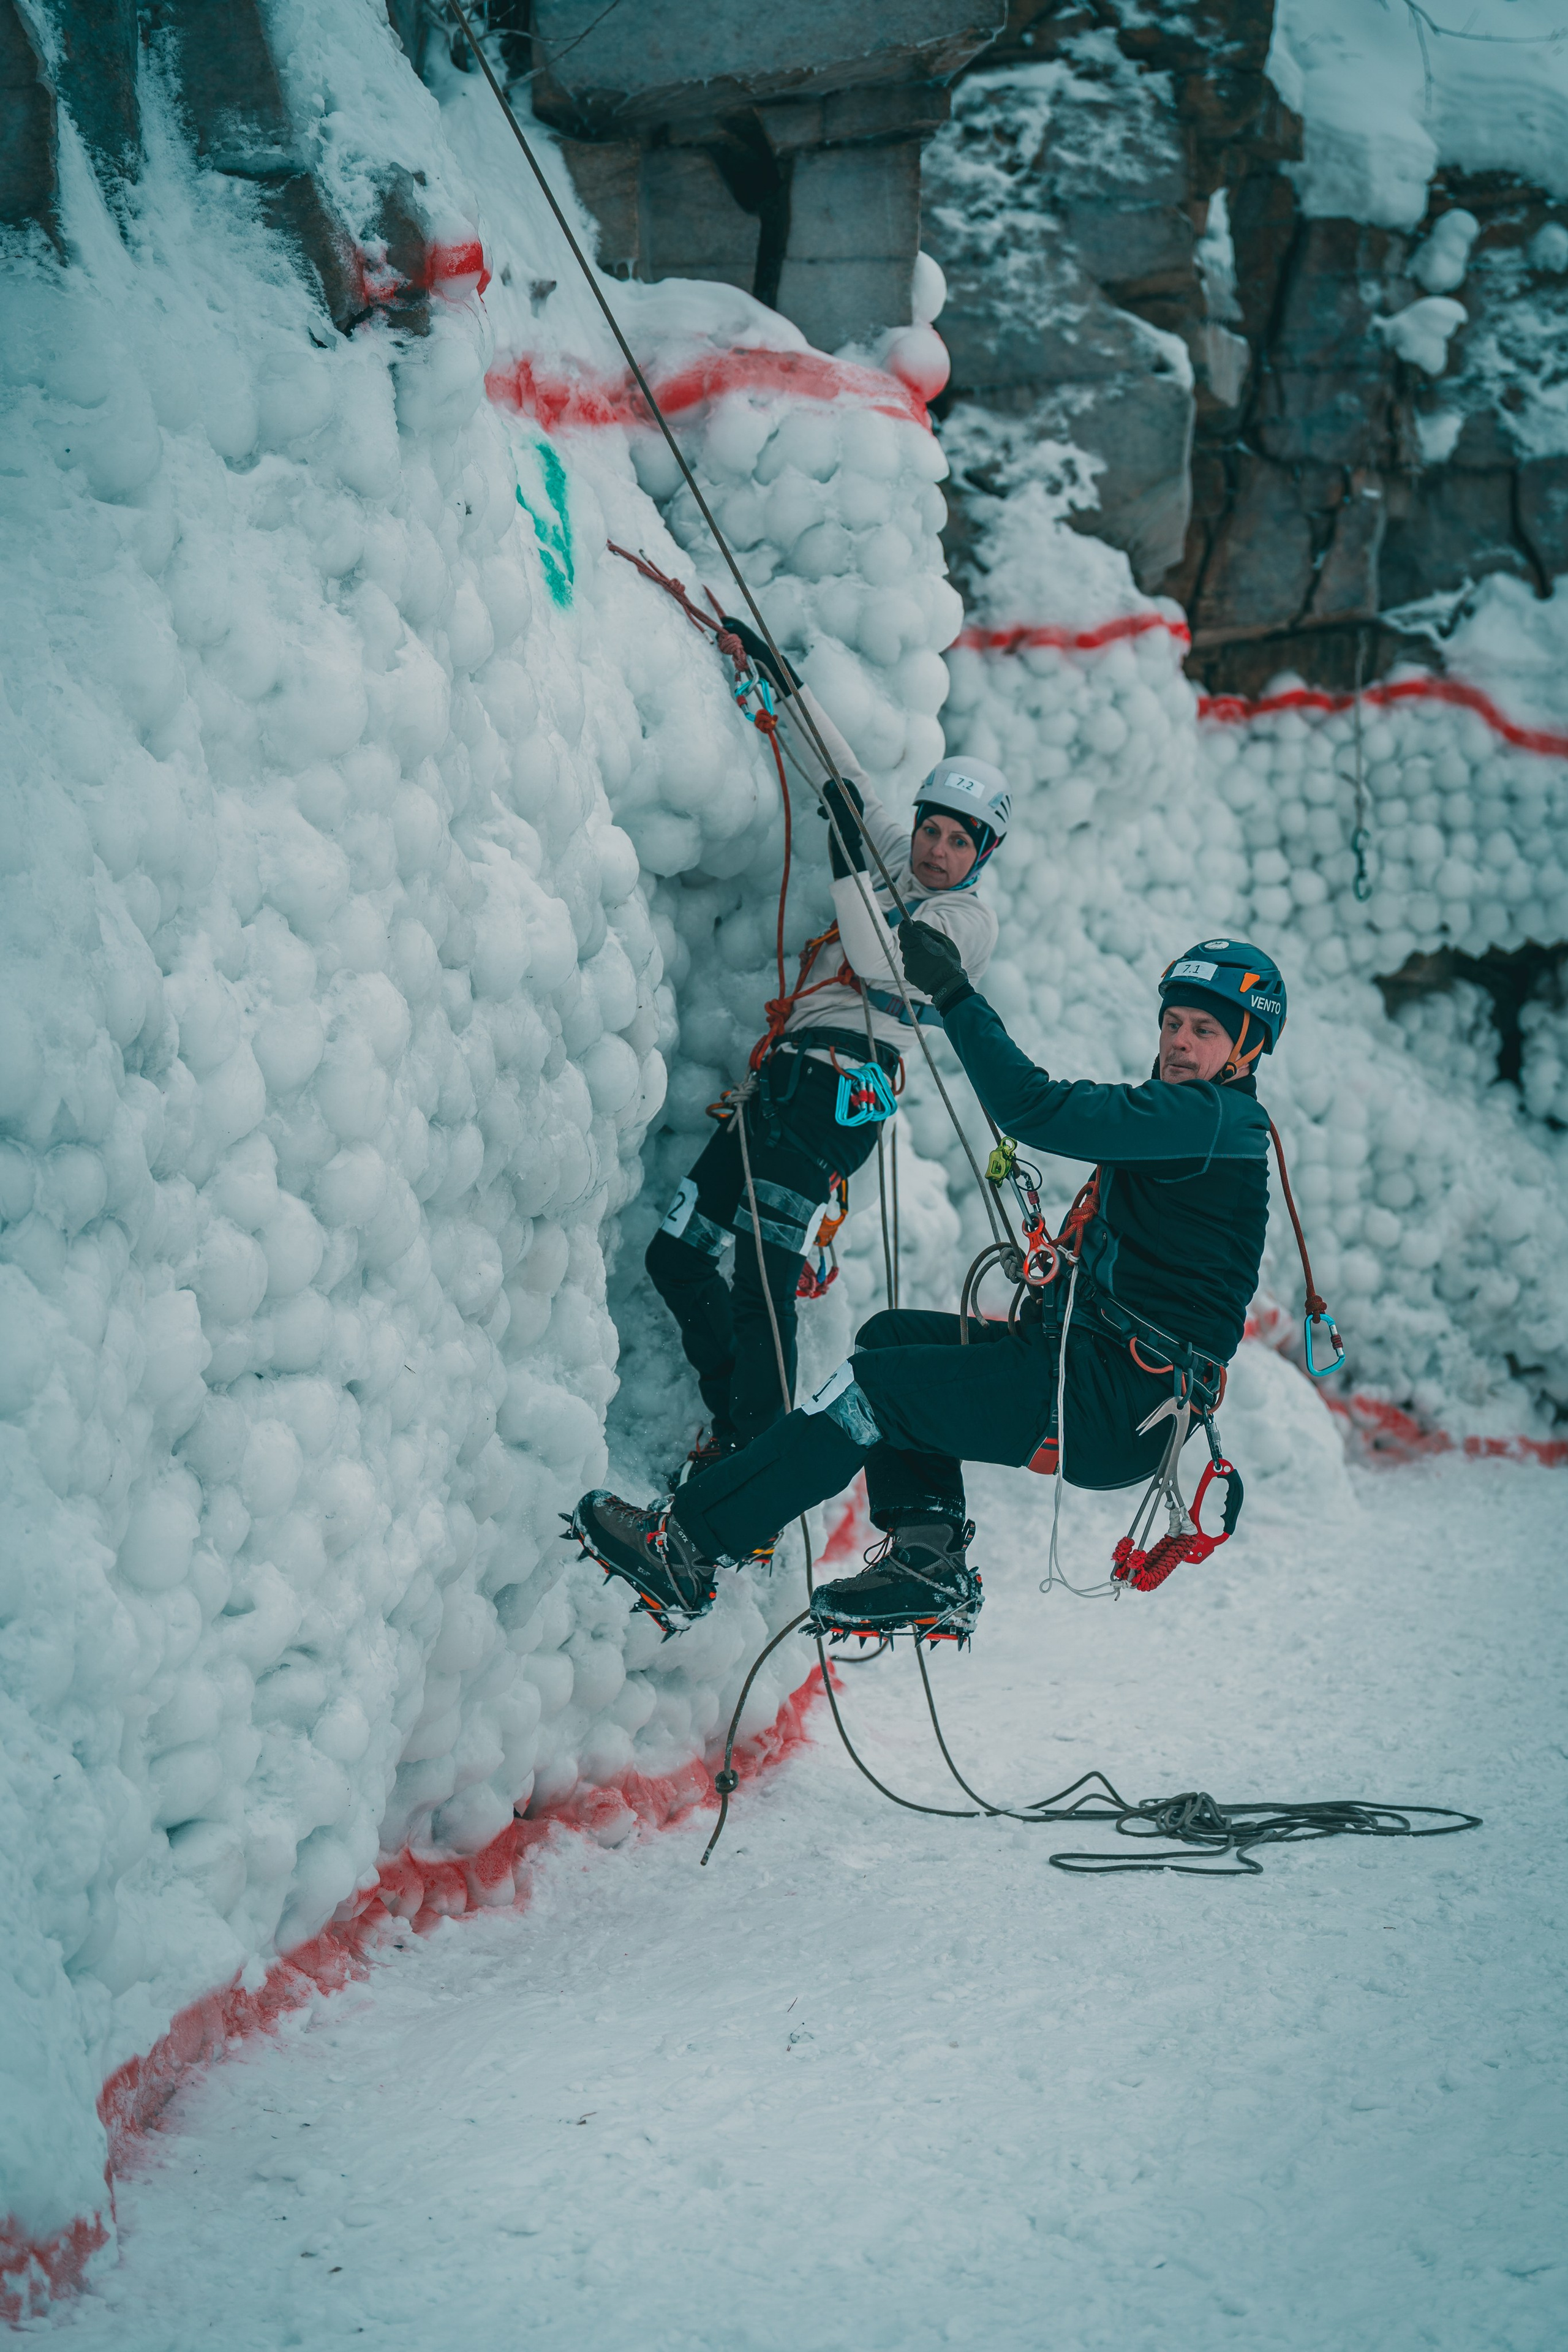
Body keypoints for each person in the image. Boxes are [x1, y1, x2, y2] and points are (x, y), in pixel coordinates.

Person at [573, 935, 1284, 1642]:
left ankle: (688, 1547)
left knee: (872, 1391)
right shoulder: (1197, 1123)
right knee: (890, 1338)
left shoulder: (1210, 1121)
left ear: (1246, 1048)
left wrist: (956, 997)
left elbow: (1032, 1107)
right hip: (1104, 1377)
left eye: (1204, 1030)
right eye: (1171, 1024)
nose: (1179, 1044)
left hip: (1112, 1396)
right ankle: (927, 1562)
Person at [643, 616, 1012, 1472]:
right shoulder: (895, 857)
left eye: (961, 842)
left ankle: (752, 1459)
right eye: (933, 828)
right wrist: (782, 680)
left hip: (839, 1097)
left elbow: (889, 960)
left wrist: (850, 859)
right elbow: (840, 772)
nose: (938, 849)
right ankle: (744, 1429)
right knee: (677, 1254)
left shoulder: (965, 920)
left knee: (762, 1285)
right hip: (785, 1085)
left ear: (981, 857)